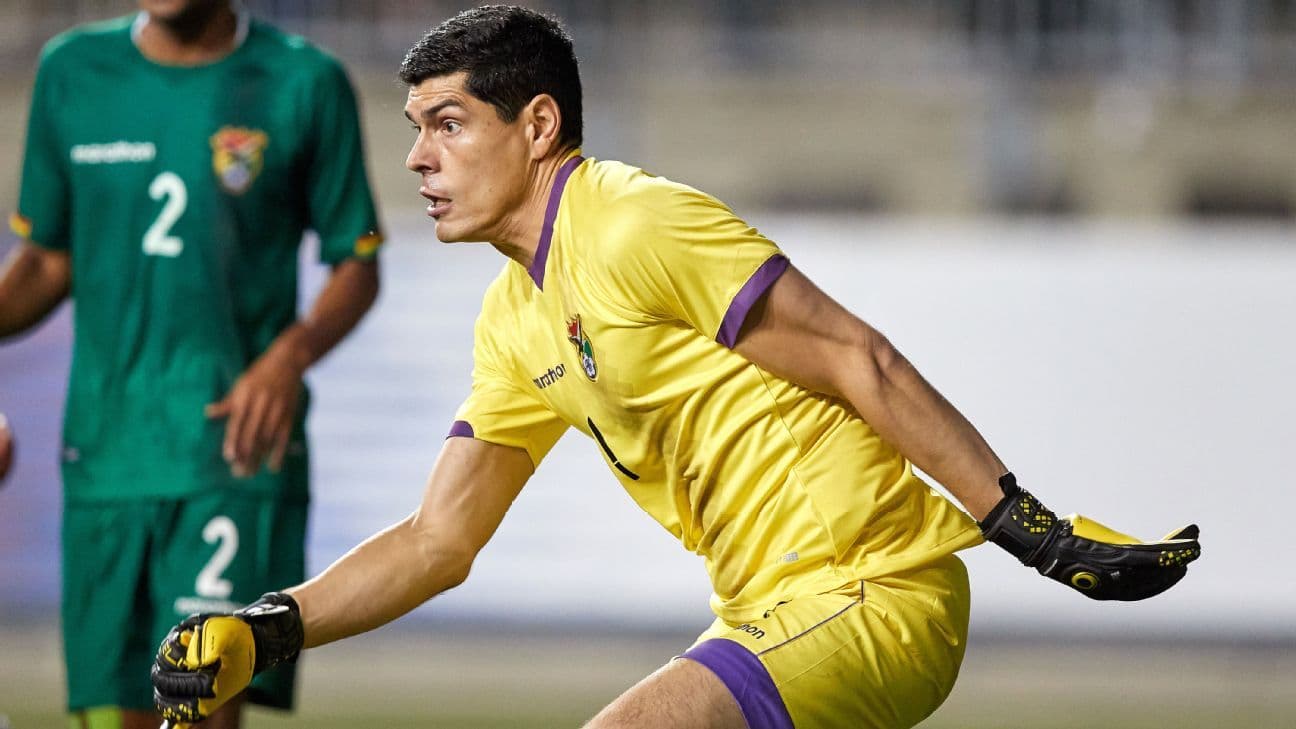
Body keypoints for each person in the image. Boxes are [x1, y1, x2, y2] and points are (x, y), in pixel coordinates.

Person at [149, 6, 1200, 729]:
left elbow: (854, 355)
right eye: (417, 129)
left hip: (873, 593)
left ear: (539, 126)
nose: (418, 157)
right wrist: (271, 625)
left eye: (450, 125)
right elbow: (438, 539)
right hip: (765, 616)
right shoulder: (516, 317)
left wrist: (1029, 530)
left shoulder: (630, 220)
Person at [0, 0, 383, 727]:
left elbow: (357, 264)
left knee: (195, 704)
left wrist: (287, 357)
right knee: (112, 713)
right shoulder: (73, 72)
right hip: (105, 453)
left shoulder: (305, 81)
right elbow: (47, 263)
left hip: (231, 455)